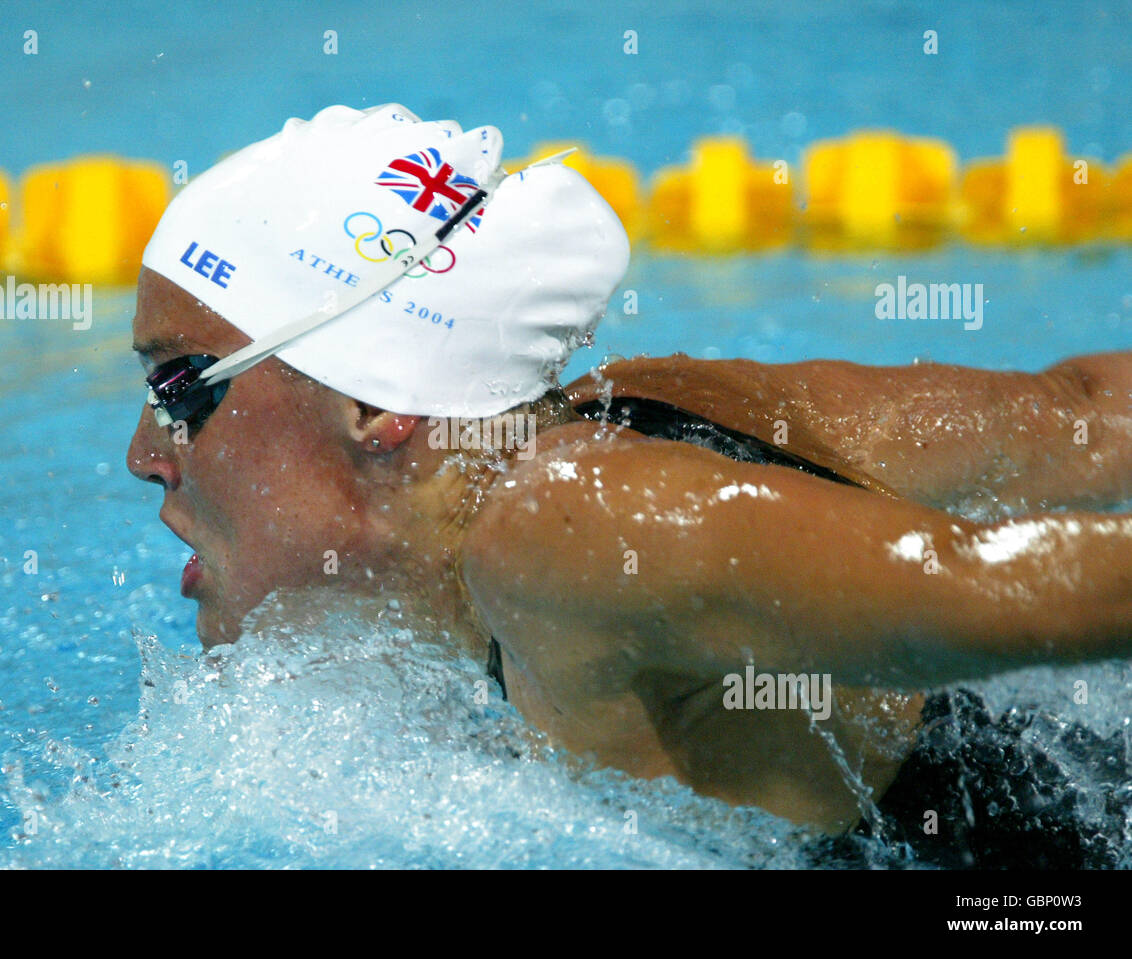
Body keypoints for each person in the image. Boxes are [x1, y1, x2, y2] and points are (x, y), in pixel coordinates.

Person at [127, 104, 1132, 866]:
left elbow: (990, 583)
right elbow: (1085, 411)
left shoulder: (561, 534)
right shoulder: (633, 406)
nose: (145, 451)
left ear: (374, 405)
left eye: (177, 386)